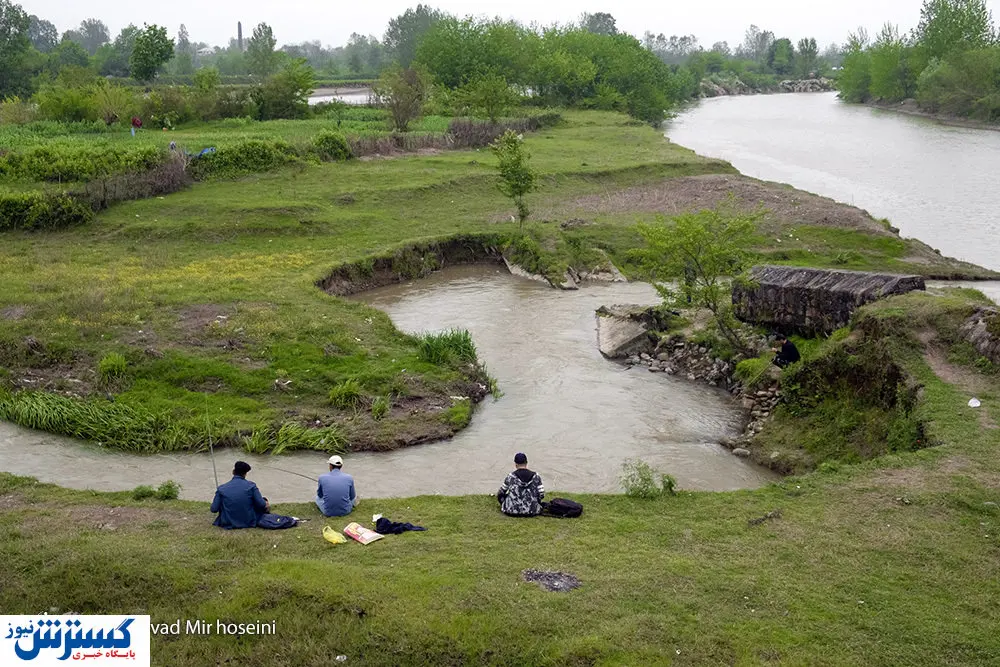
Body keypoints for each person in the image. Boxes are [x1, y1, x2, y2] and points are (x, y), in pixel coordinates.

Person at [211, 461, 270, 529]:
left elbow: (214, 509)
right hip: (248, 521)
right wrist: (265, 502)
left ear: (233, 472)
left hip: (227, 522)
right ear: (245, 474)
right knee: (264, 499)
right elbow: (262, 505)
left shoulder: (221, 488)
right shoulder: (251, 486)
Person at [497, 453, 545, 517]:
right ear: (526, 463)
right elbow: (542, 494)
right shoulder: (536, 476)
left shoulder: (510, 476)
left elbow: (501, 493)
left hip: (511, 511)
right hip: (532, 511)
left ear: (515, 464)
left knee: (505, 495)